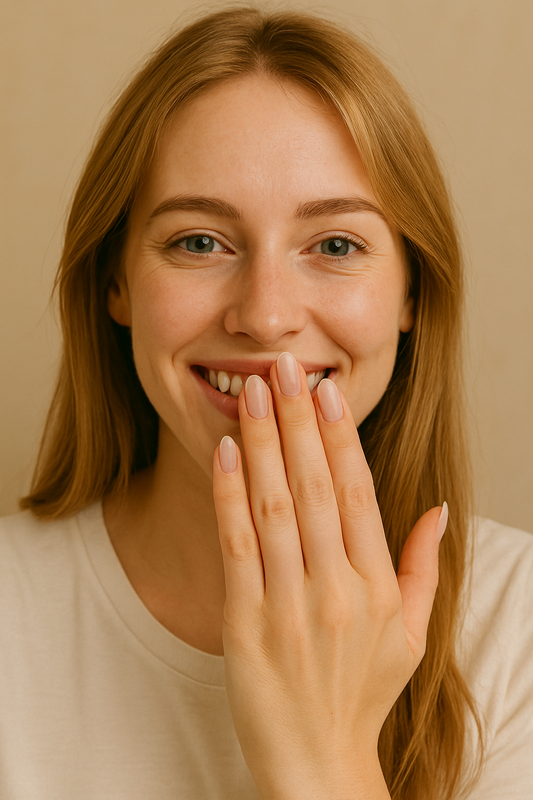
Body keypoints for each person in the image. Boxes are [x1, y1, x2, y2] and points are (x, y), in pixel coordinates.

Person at [1, 6, 531, 799]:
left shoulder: (517, 624)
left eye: (335, 245)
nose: (266, 313)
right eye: (198, 242)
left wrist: (323, 758)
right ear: (115, 283)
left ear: (411, 293)